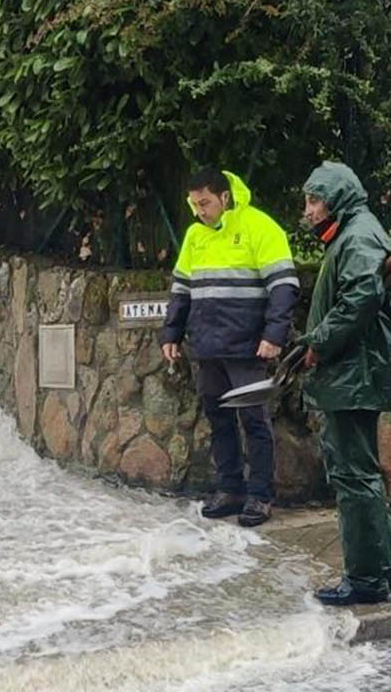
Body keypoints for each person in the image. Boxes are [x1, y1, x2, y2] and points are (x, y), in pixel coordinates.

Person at [161, 168, 299, 527]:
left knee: (255, 422)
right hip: (207, 347)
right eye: (194, 204)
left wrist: (274, 335)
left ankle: (259, 496)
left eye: (204, 203)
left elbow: (284, 286)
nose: (199, 211)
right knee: (219, 420)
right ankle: (230, 489)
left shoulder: (259, 226)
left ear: (224, 197)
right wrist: (171, 334)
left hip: (248, 347)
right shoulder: (195, 236)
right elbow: (181, 289)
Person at [300, 161, 391, 606]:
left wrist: (318, 341)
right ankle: (375, 571)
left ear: (336, 198)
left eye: (315, 200)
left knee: (354, 476)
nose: (309, 210)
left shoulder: (358, 235)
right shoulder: (355, 232)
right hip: (352, 373)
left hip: (355, 374)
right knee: (356, 474)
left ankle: (368, 580)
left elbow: (361, 298)